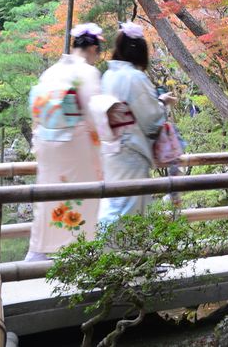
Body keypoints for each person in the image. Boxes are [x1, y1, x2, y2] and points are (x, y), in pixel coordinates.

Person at [25, 23, 105, 261]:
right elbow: (95, 115)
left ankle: (40, 252)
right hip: (75, 144)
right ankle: (77, 253)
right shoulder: (88, 73)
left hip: (47, 143)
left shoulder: (51, 71)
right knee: (83, 197)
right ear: (93, 48)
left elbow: (36, 111)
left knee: (50, 196)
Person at [97, 22, 176, 224]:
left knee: (115, 202)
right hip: (131, 149)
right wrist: (162, 103)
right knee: (129, 206)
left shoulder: (108, 75)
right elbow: (151, 118)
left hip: (111, 148)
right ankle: (124, 253)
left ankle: (110, 251)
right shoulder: (135, 78)